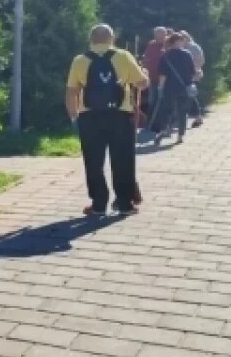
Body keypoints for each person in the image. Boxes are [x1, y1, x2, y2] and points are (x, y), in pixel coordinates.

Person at [66, 24, 150, 217]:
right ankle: (125, 204)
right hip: (120, 116)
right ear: (112, 39)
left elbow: (72, 91)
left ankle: (98, 204)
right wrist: (143, 73)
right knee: (123, 159)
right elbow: (142, 83)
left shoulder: (80, 60)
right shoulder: (123, 56)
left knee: (93, 161)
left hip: (89, 117)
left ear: (91, 39)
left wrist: (74, 116)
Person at [153, 32, 197, 146]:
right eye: (182, 40)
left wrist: (160, 88)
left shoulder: (165, 56)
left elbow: (163, 75)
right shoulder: (187, 54)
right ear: (178, 41)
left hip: (170, 88)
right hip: (185, 88)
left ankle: (164, 130)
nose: (183, 42)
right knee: (182, 112)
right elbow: (193, 73)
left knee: (167, 110)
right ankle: (180, 136)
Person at [141, 26, 168, 125]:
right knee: (152, 100)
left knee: (164, 101)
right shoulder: (151, 44)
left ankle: (163, 123)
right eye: (156, 35)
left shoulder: (168, 45)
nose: (157, 37)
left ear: (165, 35)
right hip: (152, 78)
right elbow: (146, 58)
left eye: (160, 35)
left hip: (165, 79)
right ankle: (151, 122)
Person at [180, 30, 206, 128]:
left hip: (194, 76)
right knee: (188, 97)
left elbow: (201, 61)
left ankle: (198, 116)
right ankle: (193, 116)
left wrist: (193, 70)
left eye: (182, 38)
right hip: (185, 76)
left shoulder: (193, 47)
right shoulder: (183, 48)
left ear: (186, 38)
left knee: (191, 96)